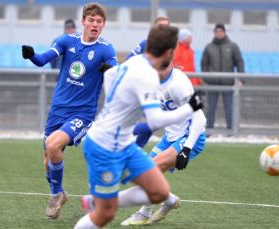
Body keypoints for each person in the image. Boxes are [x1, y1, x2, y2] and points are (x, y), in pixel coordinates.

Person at [73, 25, 203, 229]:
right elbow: (154, 121)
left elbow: (109, 75)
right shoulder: (148, 75)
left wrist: (116, 107)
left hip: (124, 144)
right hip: (104, 146)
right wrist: (190, 108)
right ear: (169, 53)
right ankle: (98, 204)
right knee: (105, 214)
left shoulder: (134, 62)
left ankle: (96, 201)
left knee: (159, 191)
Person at [21, 2, 117, 219]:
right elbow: (43, 59)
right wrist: (32, 55)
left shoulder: (105, 49)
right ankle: (60, 193)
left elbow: (116, 72)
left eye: (99, 21)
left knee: (53, 144)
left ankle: (55, 195)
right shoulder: (67, 40)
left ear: (103, 25)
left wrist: (111, 71)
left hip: (82, 114)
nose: (95, 24)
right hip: (58, 110)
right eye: (91, 20)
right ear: (83, 21)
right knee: (48, 160)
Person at [201, 23, 244, 130]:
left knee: (229, 108)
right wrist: (207, 78)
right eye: (217, 31)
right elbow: (204, 64)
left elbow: (239, 62)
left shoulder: (233, 46)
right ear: (214, 33)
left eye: (221, 31)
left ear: (224, 32)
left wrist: (241, 79)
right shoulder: (208, 47)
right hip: (213, 84)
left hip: (228, 83)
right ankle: (209, 130)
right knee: (211, 108)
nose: (219, 33)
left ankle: (231, 130)